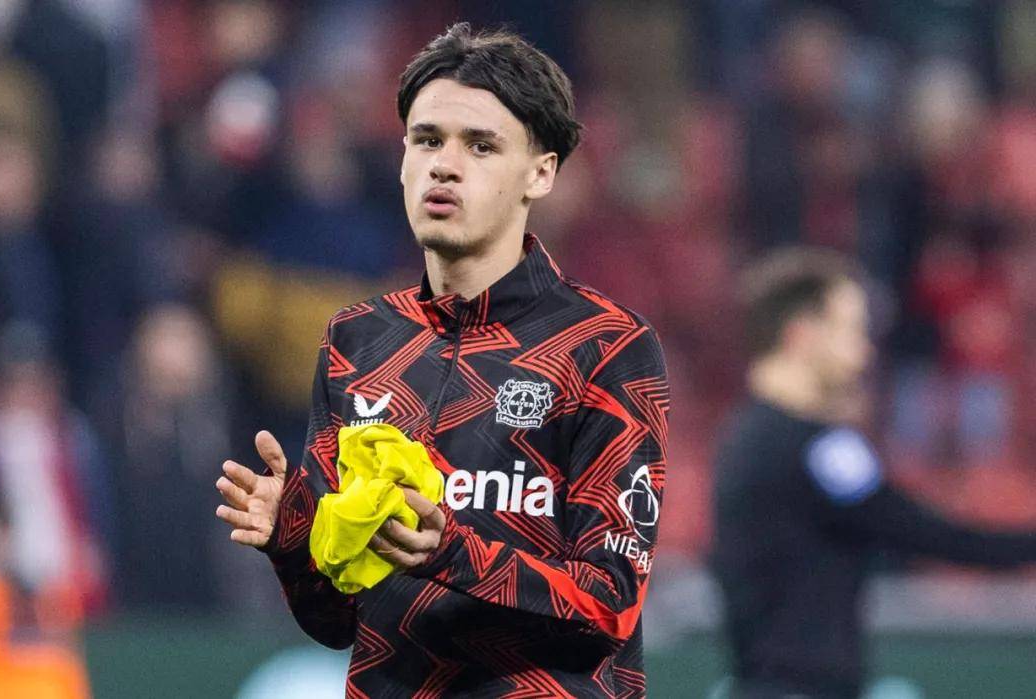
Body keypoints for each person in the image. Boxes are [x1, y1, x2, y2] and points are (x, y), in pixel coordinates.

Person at [214, 23, 670, 697]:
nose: (444, 165)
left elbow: (608, 602)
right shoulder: (357, 341)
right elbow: (337, 619)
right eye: (426, 139)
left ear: (540, 172)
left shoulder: (606, 345)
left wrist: (449, 549)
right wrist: (292, 534)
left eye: (480, 145)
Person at [709, 247, 1036, 699]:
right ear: (802, 334)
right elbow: (921, 531)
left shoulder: (746, 439)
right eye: (851, 331)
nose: (863, 351)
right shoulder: (813, 449)